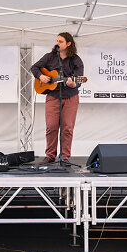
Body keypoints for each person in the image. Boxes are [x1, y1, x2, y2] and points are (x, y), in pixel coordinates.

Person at [30, 32, 84, 165]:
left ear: (68, 44)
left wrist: (74, 83)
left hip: (71, 97)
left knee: (67, 128)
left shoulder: (76, 60)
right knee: (51, 127)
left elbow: (79, 79)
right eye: (57, 41)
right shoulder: (49, 57)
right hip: (53, 96)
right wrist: (41, 76)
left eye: (60, 41)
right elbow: (34, 67)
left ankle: (64, 157)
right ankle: (50, 156)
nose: (57, 43)